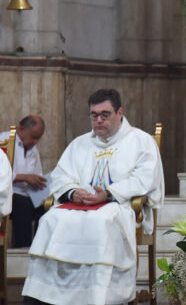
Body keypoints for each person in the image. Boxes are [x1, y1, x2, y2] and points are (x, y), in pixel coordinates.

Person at [22, 88, 163, 305]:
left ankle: (99, 297)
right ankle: (46, 296)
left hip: (119, 205)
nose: (98, 120)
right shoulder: (79, 143)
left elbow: (145, 178)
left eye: (105, 114)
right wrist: (72, 192)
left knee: (101, 221)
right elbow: (61, 175)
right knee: (50, 218)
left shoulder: (141, 141)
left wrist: (107, 194)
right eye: (94, 115)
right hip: (78, 205)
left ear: (120, 113)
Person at [0, 115, 48, 247]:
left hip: (29, 194)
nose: (35, 142)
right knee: (23, 205)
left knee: (48, 208)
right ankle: (22, 249)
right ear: (21, 128)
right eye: (33, 137)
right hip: (8, 192)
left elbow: (37, 175)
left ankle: (39, 248)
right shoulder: (3, 141)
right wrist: (24, 177)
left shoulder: (33, 150)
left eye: (38, 138)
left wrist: (43, 189)